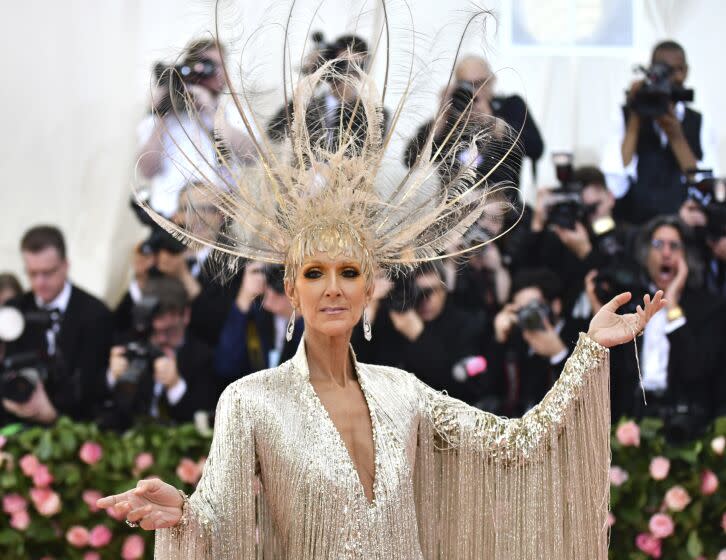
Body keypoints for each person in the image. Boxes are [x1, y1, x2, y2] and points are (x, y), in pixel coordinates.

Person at [98, 22, 665, 560]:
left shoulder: (403, 394)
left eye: (348, 272)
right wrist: (186, 516)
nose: (333, 289)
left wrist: (590, 349)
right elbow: (220, 521)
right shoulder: (249, 401)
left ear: (370, 286)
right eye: (315, 274)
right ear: (292, 290)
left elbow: (519, 445)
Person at [599, 216, 726, 439]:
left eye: (674, 246)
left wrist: (674, 306)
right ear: (646, 254)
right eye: (658, 245)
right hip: (631, 425)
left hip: (687, 426)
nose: (666, 253)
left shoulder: (711, 308)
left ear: (686, 256)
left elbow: (696, 370)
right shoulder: (629, 305)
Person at [1, 226, 112, 425]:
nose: (40, 282)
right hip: (19, 426)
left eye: (48, 272)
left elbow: (95, 385)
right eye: (32, 274)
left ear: (65, 265)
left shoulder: (95, 313)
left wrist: (53, 415)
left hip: (78, 430)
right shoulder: (15, 309)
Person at [137, 38, 259, 217]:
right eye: (207, 65)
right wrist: (163, 111)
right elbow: (147, 170)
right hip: (170, 225)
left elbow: (252, 157)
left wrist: (212, 113)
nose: (216, 73)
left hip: (219, 223)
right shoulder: (164, 117)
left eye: (218, 66)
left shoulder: (235, 114)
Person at [601, 40, 719, 225]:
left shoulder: (699, 121)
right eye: (664, 71)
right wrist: (636, 115)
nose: (672, 79)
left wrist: (676, 135)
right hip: (635, 225)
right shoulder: (625, 116)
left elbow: (706, 187)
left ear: (686, 71)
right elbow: (615, 184)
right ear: (651, 71)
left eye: (677, 70)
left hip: (683, 227)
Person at [104, 276, 216, 430]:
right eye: (155, 332)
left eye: (170, 330)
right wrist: (113, 377)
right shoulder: (129, 345)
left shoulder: (202, 356)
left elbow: (204, 423)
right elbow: (105, 409)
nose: (162, 339)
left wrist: (175, 386)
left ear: (186, 315)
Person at [487, 268, 588, 416]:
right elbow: (491, 390)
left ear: (556, 305)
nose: (527, 315)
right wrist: (499, 339)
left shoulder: (581, 335)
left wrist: (559, 354)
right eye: (520, 310)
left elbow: (586, 397)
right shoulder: (517, 340)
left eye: (533, 307)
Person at [214, 263, 302, 391]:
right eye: (276, 273)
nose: (280, 282)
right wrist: (244, 297)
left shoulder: (314, 317)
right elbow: (225, 366)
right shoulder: (256, 315)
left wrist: (299, 314)